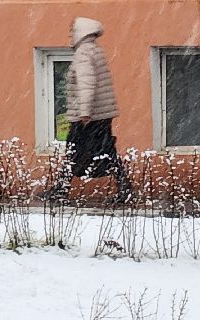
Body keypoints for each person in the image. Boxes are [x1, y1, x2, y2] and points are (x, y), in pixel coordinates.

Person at [49, 17, 131, 204]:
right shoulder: (95, 50)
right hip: (101, 115)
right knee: (105, 152)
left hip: (88, 116)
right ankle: (125, 188)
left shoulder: (83, 53)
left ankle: (60, 190)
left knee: (75, 151)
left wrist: (85, 112)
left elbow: (87, 84)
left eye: (72, 30)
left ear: (81, 32)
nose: (70, 35)